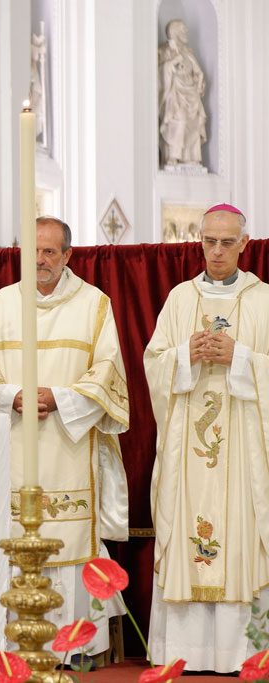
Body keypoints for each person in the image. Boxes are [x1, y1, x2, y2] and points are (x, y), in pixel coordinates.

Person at [0, 217, 130, 657]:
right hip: (13, 445)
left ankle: (69, 648)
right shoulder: (0, 305)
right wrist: (13, 396)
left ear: (69, 255)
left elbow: (107, 372)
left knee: (70, 539)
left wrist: (61, 399)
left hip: (68, 444)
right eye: (33, 251)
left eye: (50, 252)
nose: (40, 260)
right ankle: (14, 647)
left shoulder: (94, 305)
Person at [144, 203, 269, 672]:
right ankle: (187, 652)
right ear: (199, 242)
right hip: (188, 447)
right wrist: (183, 356)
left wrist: (242, 358)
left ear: (244, 244)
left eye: (225, 242)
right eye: (208, 242)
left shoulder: (263, 301)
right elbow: (153, 364)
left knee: (239, 532)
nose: (215, 251)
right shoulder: (180, 299)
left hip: (243, 445)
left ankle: (242, 652)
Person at [158, 19, 207, 167]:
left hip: (191, 93)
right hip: (175, 94)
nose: (186, 32)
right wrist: (173, 62)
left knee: (195, 121)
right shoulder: (165, 50)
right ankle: (173, 156)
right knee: (180, 120)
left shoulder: (188, 52)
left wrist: (200, 82)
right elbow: (161, 71)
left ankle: (191, 157)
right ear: (175, 32)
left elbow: (197, 71)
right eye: (183, 30)